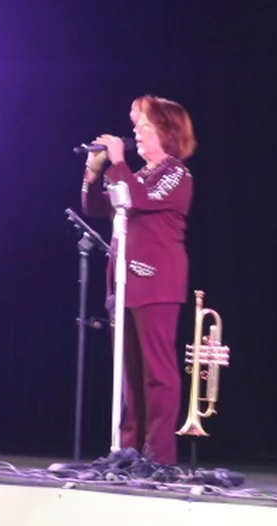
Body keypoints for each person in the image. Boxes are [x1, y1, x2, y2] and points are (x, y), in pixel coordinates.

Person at [80, 94, 197, 466]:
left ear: (166, 131)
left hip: (156, 281)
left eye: (143, 125)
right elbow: (97, 206)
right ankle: (131, 451)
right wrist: (93, 172)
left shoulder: (176, 173)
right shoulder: (141, 175)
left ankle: (159, 454)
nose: (135, 132)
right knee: (130, 375)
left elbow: (136, 199)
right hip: (124, 283)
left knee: (157, 372)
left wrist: (118, 161)